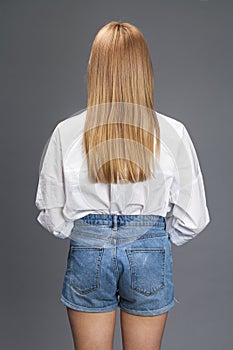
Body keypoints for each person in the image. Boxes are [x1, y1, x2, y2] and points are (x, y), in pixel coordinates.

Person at [35, 21, 210, 350]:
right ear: (144, 69)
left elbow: (53, 216)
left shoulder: (66, 132)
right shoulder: (174, 133)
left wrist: (92, 230)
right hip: (149, 249)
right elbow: (193, 218)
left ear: (95, 68)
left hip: (89, 250)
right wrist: (151, 233)